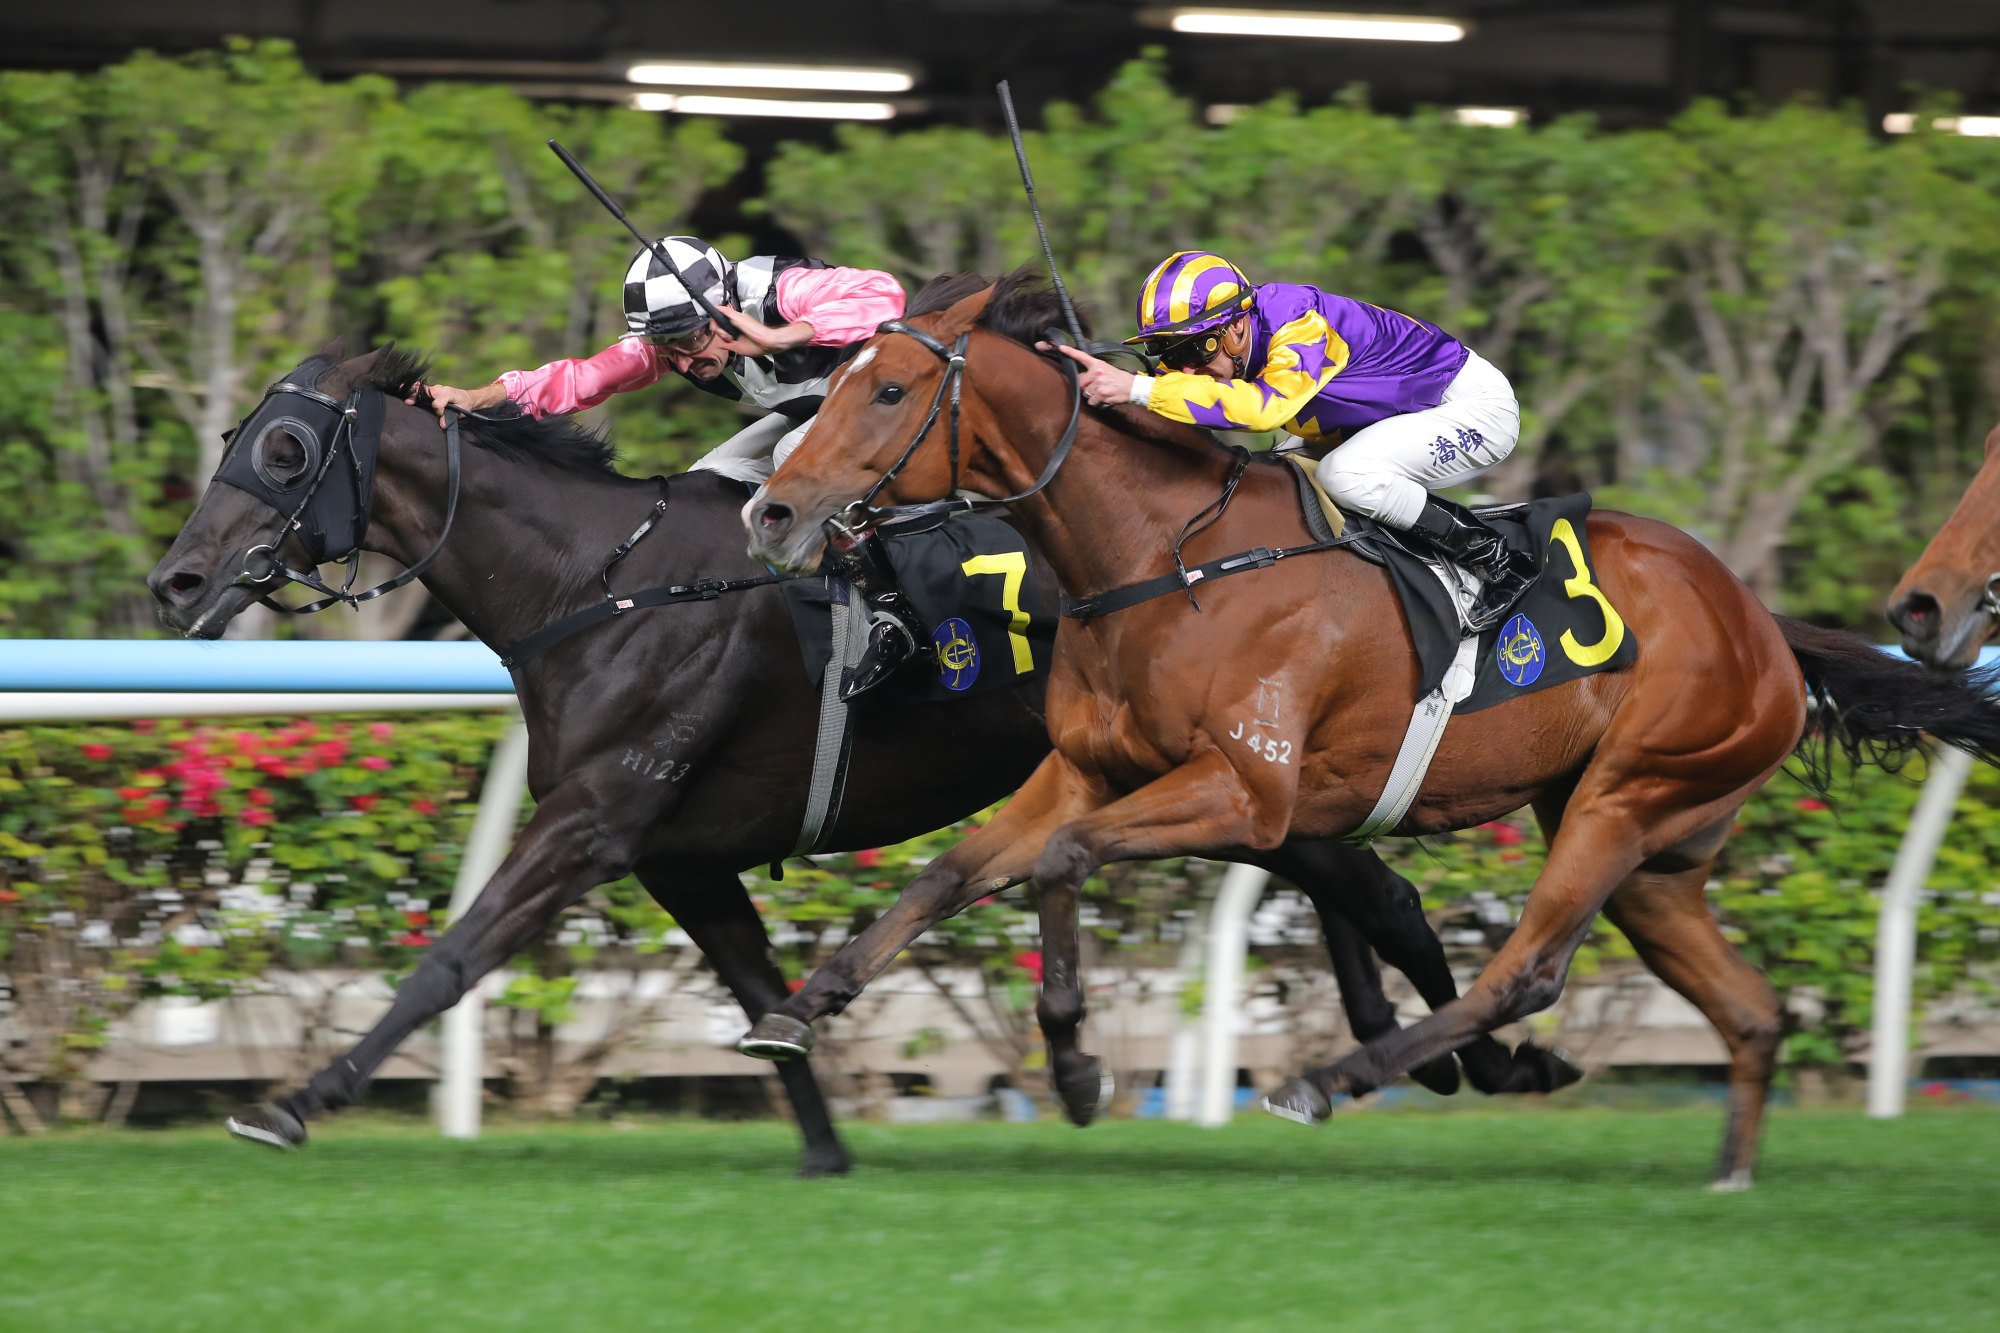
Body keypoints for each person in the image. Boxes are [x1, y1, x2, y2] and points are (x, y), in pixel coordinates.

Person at [417, 236, 925, 696]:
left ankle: (894, 613)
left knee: (789, 458)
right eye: (667, 348)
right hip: (821, 412)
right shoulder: (675, 336)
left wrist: (780, 337)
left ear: (724, 305)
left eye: (690, 341)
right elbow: (578, 379)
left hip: (896, 406)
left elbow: (884, 294)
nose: (683, 362)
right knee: (709, 481)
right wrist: (475, 396)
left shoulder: (778, 288)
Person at [1053, 250, 1534, 632]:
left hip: (1469, 410)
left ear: (1238, 325)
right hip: (1373, 420)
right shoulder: (1224, 339)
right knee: (1267, 481)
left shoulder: (1299, 322)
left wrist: (1139, 389)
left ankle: (1494, 558)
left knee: (1345, 475)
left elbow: (1265, 412)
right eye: (1166, 352)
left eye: (1193, 349)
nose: (1184, 368)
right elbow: (1176, 389)